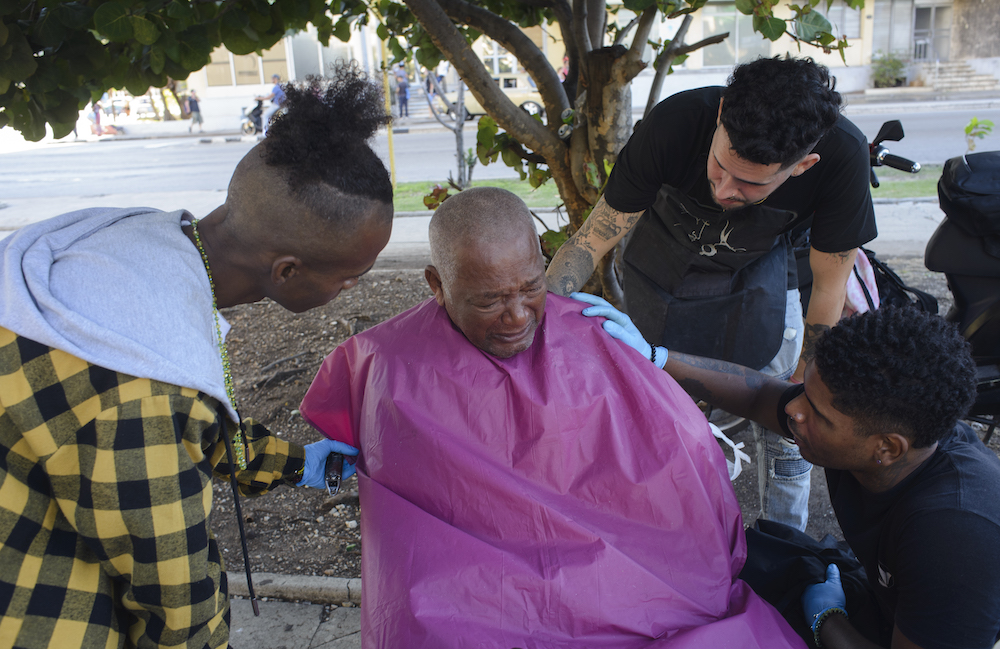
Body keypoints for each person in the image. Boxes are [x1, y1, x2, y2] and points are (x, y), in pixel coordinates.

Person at [299, 187, 805, 648]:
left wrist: (650, 359)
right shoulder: (382, 363)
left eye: (530, 287)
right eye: (489, 300)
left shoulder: (595, 338)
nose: (517, 316)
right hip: (477, 596)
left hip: (629, 582)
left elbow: (683, 460)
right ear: (437, 284)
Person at [0, 64, 394, 649]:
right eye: (350, 278)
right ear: (287, 271)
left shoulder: (139, 247)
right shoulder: (139, 392)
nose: (353, 290)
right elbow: (176, 601)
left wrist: (291, 462)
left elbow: (192, 425)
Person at [546, 55, 877, 532]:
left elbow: (828, 287)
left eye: (750, 183)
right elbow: (591, 239)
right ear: (721, 114)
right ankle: (657, 531)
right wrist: (541, 311)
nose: (724, 189)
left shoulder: (843, 156)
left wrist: (805, 389)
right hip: (661, 262)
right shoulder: (676, 124)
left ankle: (788, 543)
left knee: (791, 418)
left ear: (803, 166)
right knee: (653, 404)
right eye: (720, 165)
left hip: (765, 267)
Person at [575, 295, 1000, 649]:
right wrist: (652, 355)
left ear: (886, 448)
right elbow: (761, 394)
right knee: (713, 563)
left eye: (816, 412)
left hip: (917, 626)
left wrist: (828, 620)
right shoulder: (872, 426)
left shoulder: (956, 535)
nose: (794, 411)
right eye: (805, 392)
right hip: (885, 594)